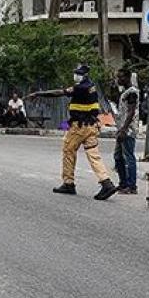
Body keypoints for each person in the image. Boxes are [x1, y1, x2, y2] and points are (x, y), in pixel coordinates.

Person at [28, 64, 118, 200]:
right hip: (91, 125)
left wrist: (38, 94)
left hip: (79, 126)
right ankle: (106, 182)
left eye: (78, 73)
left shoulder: (80, 88)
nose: (76, 75)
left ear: (84, 75)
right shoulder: (91, 86)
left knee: (68, 150)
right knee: (94, 155)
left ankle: (68, 183)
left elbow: (59, 93)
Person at [113, 68, 140, 195]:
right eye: (118, 77)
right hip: (121, 129)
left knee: (129, 157)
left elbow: (131, 112)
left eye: (121, 77)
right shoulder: (125, 92)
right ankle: (123, 183)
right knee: (118, 157)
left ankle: (131, 185)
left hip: (128, 130)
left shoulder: (132, 93)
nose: (119, 80)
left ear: (128, 78)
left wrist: (124, 129)